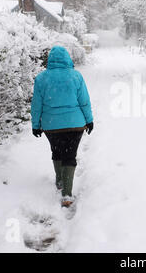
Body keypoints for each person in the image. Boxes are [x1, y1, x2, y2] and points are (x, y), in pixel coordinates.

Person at [31, 46, 94, 208]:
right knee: (70, 155)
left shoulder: (41, 78)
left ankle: (60, 180)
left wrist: (36, 125)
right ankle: (67, 193)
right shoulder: (76, 76)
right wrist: (89, 120)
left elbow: (36, 105)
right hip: (75, 125)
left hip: (51, 126)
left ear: (50, 60)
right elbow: (84, 101)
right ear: (68, 58)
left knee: (57, 151)